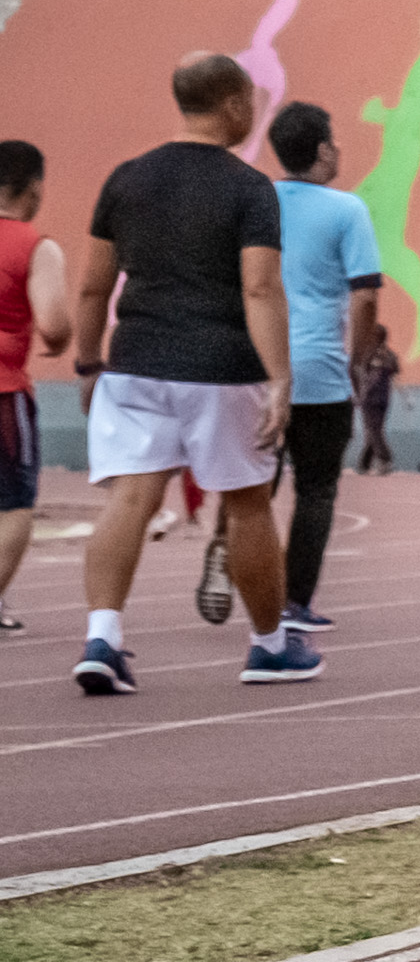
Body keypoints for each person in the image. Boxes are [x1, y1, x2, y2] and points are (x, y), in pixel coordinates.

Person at [66, 55, 299, 694]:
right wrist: (280, 377)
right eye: (249, 99)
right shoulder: (250, 188)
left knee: (131, 498)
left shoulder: (125, 180)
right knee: (248, 503)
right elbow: (259, 288)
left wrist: (89, 365)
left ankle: (103, 637)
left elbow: (92, 288)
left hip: (135, 362)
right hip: (222, 370)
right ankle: (271, 647)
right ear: (230, 103)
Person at [264, 102, 384, 635]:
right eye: (334, 140)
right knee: (315, 491)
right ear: (321, 150)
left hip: (259, 367)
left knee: (251, 491)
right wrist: (357, 361)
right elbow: (364, 297)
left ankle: (233, 552)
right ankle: (293, 602)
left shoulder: (257, 202)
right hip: (318, 368)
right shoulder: (347, 210)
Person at [0, 141, 76, 631]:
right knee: (14, 505)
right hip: (5, 394)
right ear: (35, 187)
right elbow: (52, 324)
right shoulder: (34, 244)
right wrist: (62, 336)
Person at [350, 328, 401, 472]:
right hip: (384, 399)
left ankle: (385, 459)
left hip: (371, 399)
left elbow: (373, 379)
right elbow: (395, 371)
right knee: (374, 430)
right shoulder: (389, 354)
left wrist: (361, 396)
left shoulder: (371, 354)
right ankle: (364, 464)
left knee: (373, 430)